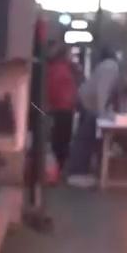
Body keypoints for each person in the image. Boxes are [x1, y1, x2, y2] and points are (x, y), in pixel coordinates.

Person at [66, 46, 120, 187]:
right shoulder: (111, 67)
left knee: (84, 138)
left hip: (87, 102)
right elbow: (102, 91)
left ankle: (78, 170)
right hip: (90, 105)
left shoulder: (106, 66)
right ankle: (77, 172)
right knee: (85, 138)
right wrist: (103, 113)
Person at [46, 42, 78, 172]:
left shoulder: (57, 68)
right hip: (62, 108)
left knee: (60, 138)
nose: (72, 56)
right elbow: (55, 89)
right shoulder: (61, 69)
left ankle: (58, 167)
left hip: (62, 107)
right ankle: (58, 167)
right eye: (70, 53)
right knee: (61, 139)